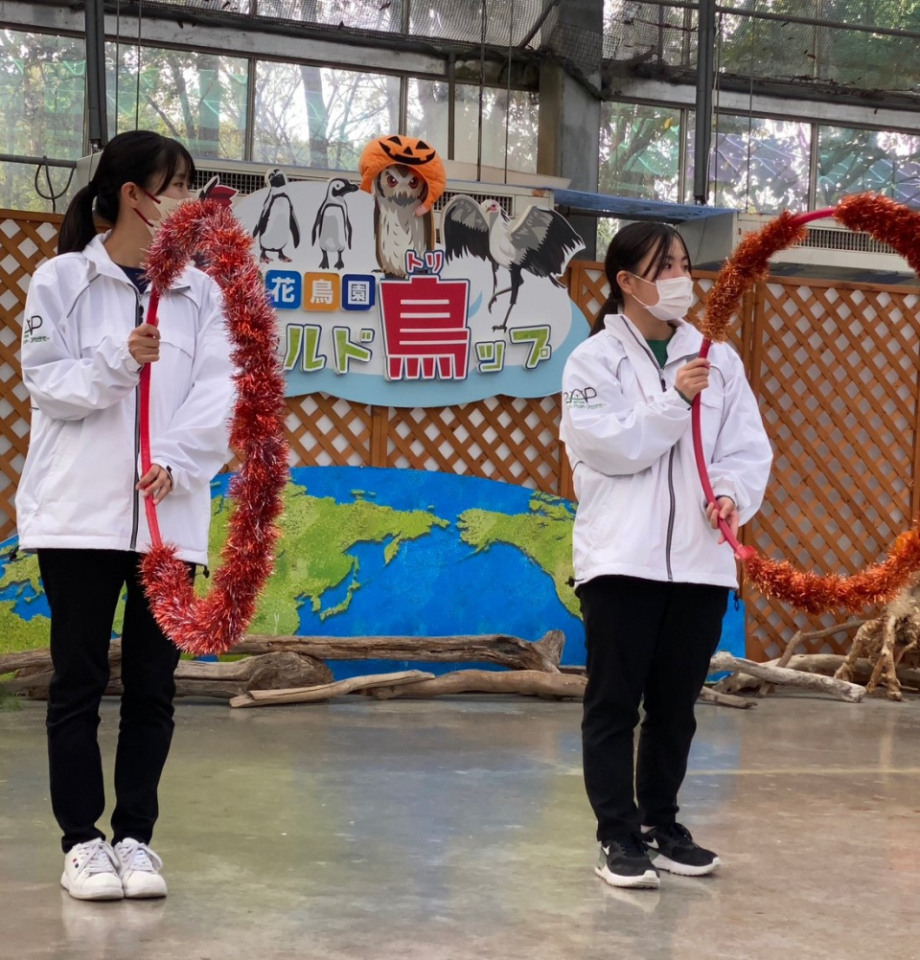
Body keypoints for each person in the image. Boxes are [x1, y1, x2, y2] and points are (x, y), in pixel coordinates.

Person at [17, 130, 235, 901]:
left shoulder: (203, 293)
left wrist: (177, 460)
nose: (189, 201)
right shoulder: (62, 280)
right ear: (133, 195)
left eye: (192, 186)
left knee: (153, 686)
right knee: (77, 682)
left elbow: (222, 392)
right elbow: (48, 384)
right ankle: (81, 843)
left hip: (168, 521)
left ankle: (136, 838)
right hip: (78, 517)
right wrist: (121, 358)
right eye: (176, 187)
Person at [560, 222, 773, 889]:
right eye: (666, 266)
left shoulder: (720, 359)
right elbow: (610, 447)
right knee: (614, 704)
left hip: (701, 563)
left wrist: (730, 494)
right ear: (627, 281)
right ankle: (617, 837)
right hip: (622, 562)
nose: (683, 277)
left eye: (685, 263)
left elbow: (746, 449)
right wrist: (674, 398)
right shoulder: (592, 361)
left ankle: (661, 825)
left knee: (676, 707)